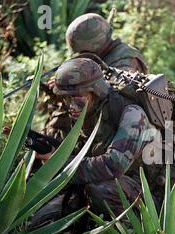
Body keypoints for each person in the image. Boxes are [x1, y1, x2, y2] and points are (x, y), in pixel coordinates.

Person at [31, 58, 155, 228]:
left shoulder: (132, 114)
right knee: (38, 221)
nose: (71, 105)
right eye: (66, 98)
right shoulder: (88, 111)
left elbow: (113, 165)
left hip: (152, 197)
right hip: (111, 187)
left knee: (102, 189)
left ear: (95, 91)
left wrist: (59, 163)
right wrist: (53, 151)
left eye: (77, 98)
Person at [43, 13, 149, 143]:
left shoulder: (125, 58)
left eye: (82, 51)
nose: (80, 55)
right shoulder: (97, 55)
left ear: (93, 46)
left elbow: (118, 90)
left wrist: (76, 84)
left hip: (121, 125)